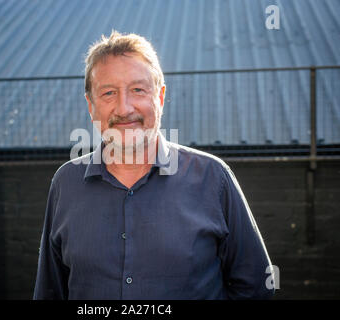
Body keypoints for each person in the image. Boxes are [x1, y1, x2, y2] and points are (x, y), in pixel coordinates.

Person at [33, 31, 275, 300]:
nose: (124, 109)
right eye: (109, 93)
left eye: (138, 90)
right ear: (91, 105)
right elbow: (50, 290)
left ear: (159, 97)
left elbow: (255, 289)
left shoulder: (213, 178)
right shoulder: (66, 183)